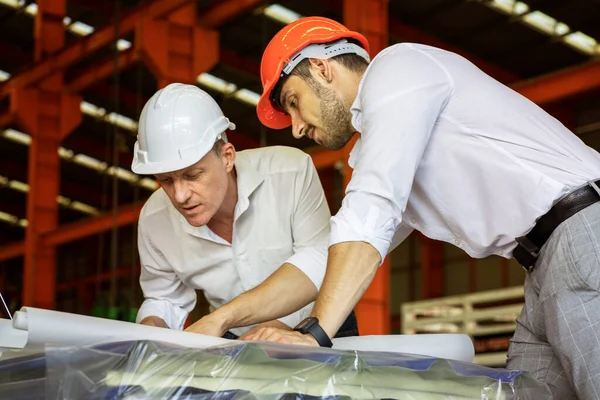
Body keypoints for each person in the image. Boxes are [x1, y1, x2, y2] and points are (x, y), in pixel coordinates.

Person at [250, 16, 600, 399]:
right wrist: (222, 319)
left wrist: (315, 335)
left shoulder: (398, 70)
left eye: (294, 103)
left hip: (582, 233)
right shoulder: (395, 136)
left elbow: (370, 215)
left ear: (321, 67)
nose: (297, 128)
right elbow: (328, 253)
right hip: (545, 263)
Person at [130, 83, 358, 340]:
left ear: (227, 157)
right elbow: (164, 297)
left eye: (192, 175)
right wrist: (152, 325)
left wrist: (242, 322)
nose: (180, 195)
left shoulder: (291, 173)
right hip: (232, 336)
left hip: (316, 322)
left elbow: (318, 260)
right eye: (166, 180)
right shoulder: (154, 219)